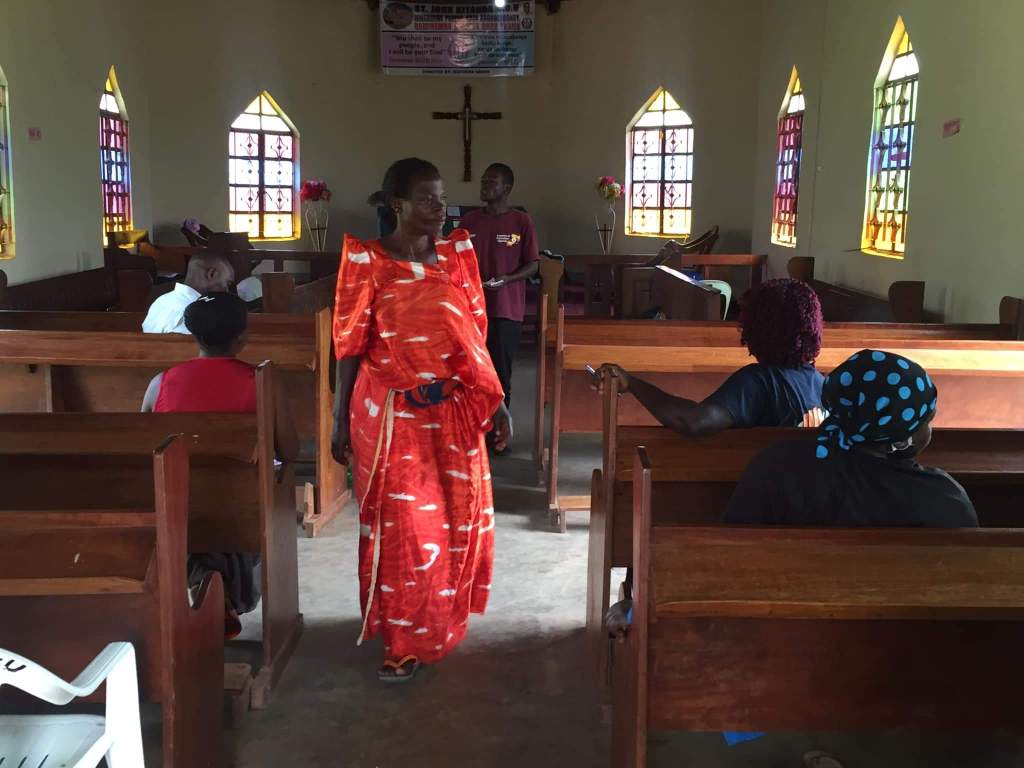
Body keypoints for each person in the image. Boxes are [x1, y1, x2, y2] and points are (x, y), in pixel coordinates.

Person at [331, 158, 513, 683]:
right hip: (394, 416)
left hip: (454, 414)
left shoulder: (456, 256)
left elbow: (473, 336)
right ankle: (403, 640)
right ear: (398, 204)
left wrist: (497, 402)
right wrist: (339, 420)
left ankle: (439, 621)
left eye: (442, 197)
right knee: (408, 529)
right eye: (428, 198)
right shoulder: (368, 261)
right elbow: (350, 346)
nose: (440, 207)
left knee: (455, 522)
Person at [141, 291, 299, 637]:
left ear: (194, 335)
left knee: (202, 511)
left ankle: (207, 589)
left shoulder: (160, 382)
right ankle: (220, 593)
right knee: (243, 502)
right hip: (242, 504)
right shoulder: (263, 382)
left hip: (178, 501)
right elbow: (290, 450)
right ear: (242, 337)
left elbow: (144, 445)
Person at [725, 349, 977, 527]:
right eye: (927, 421)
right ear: (900, 439)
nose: (930, 430)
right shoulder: (944, 499)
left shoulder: (773, 466)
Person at [595, 278, 827, 435]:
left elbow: (694, 422)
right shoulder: (823, 385)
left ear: (756, 328)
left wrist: (632, 383)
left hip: (760, 494)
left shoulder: (759, 382)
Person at [460, 163, 540, 413]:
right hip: (472, 310)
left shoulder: (521, 221)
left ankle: (499, 429)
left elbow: (533, 265)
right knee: (472, 372)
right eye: (483, 180)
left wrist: (507, 279)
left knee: (500, 375)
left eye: (491, 181)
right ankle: (475, 426)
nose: (484, 185)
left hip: (506, 311)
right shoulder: (469, 221)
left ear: (506, 188)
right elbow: (456, 259)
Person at [141, 253, 235, 334]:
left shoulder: (161, 300)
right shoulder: (195, 314)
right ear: (211, 274)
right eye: (227, 283)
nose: (227, 291)